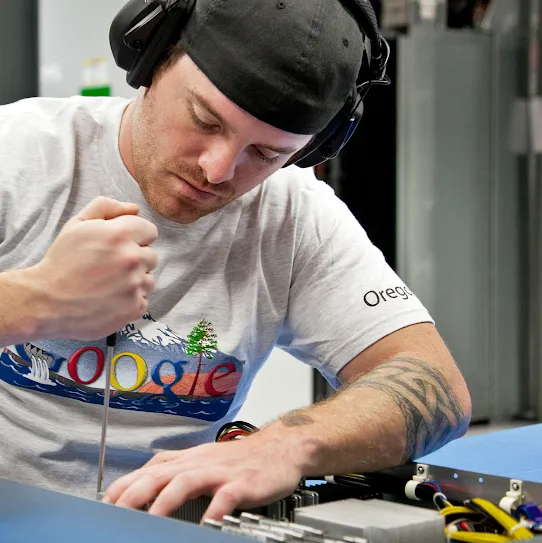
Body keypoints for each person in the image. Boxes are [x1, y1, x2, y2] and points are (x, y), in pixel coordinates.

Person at [0, 0, 471, 522]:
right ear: (153, 58)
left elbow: (436, 386)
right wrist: (36, 298)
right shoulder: (20, 154)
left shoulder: (294, 214)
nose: (218, 169)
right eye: (204, 118)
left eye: (266, 154)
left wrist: (285, 446)